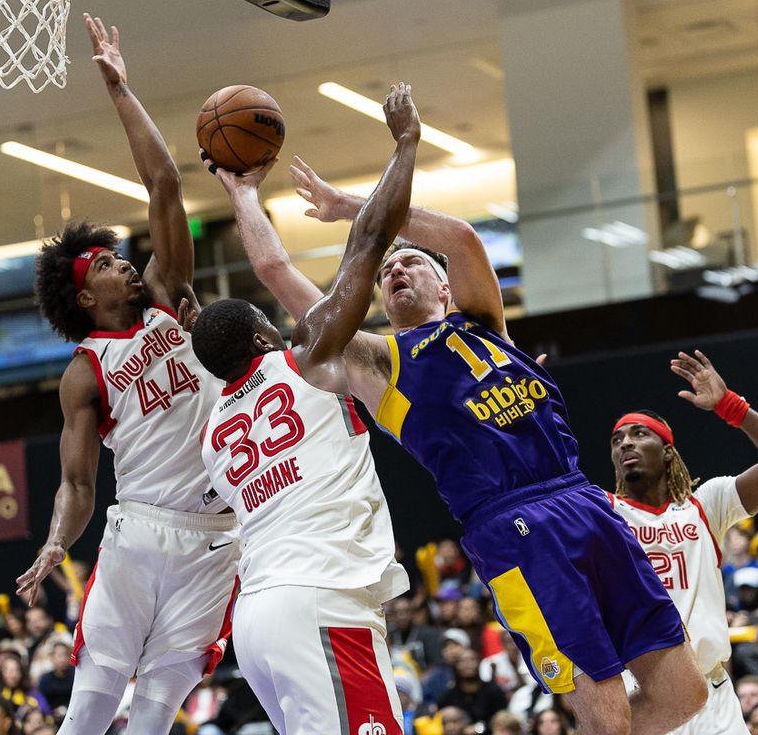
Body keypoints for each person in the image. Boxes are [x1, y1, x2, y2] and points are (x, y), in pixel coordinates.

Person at [207, 113, 706, 735]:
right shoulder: (378, 361)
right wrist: (244, 197)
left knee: (686, 697)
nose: (394, 270)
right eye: (386, 271)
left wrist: (351, 207)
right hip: (513, 525)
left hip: (584, 500)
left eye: (411, 263)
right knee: (604, 711)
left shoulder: (485, 323)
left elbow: (464, 236)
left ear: (443, 285)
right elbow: (278, 275)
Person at [17, 14, 238, 735]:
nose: (123, 264)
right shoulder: (84, 373)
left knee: (159, 707)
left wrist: (119, 86)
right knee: (93, 700)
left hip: (218, 532)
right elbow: (78, 483)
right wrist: (57, 540)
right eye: (107, 264)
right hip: (141, 528)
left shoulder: (169, 295)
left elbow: (166, 181)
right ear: (86, 297)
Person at [194, 82, 420, 734]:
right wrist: (244, 192)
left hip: (258, 619)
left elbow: (263, 275)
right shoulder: (309, 365)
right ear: (269, 337)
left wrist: (237, 194)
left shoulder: (213, 432)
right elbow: (272, 265)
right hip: (322, 597)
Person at [607, 351, 758, 734]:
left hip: (712, 694)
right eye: (617, 439)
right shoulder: (603, 511)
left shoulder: (706, 503)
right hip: (644, 696)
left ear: (668, 451)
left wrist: (729, 406)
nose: (625, 444)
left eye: (639, 433)